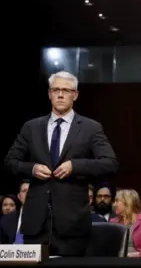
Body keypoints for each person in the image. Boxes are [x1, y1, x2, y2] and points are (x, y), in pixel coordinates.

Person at [4, 71, 118, 256]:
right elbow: (10, 162)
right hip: (36, 223)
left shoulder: (91, 127)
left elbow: (110, 163)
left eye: (66, 90)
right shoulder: (31, 127)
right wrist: (31, 168)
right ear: (49, 94)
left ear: (75, 95)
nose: (60, 94)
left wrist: (75, 166)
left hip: (72, 225)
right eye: (55, 90)